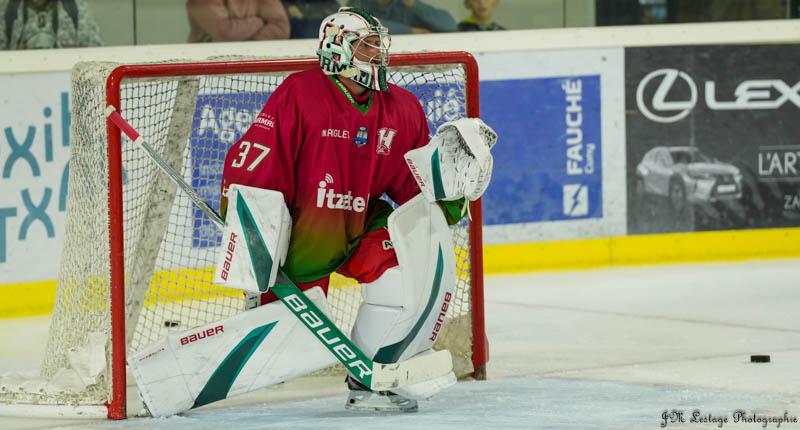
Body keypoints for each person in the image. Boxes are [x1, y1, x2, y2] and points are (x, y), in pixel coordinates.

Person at [220, 6, 495, 412]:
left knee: (401, 281)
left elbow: (412, 189)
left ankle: (368, 380)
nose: (379, 54)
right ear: (339, 47)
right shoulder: (300, 93)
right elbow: (259, 160)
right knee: (284, 344)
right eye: (368, 46)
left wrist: (451, 195)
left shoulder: (402, 107)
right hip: (302, 234)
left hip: (361, 222)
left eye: (379, 46)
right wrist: (250, 232)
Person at [0, 0, 102, 49]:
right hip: (17, 78)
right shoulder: (7, 9)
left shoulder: (75, 8)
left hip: (64, 78)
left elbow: (94, 54)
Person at [186, 0, 289, 43]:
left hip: (255, 63)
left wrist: (249, 47)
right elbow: (225, 33)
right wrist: (259, 22)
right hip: (206, 67)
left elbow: (281, 28)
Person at [346, 0, 456, 34]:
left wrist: (413, 4)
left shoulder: (407, 5)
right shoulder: (359, 3)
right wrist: (412, 31)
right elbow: (358, 21)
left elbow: (450, 25)